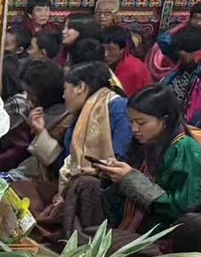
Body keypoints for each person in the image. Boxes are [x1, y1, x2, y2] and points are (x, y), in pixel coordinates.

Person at [95, 84, 201, 232]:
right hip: (134, 219)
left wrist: (130, 179)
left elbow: (183, 209)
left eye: (141, 123)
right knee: (85, 185)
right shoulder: (146, 142)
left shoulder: (185, 149)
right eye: (131, 122)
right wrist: (113, 175)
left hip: (167, 232)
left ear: (165, 120)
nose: (134, 129)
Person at [37, 62, 132, 238]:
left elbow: (120, 160)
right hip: (74, 189)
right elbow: (65, 163)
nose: (63, 96)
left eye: (66, 89)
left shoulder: (119, 109)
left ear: (80, 87)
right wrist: (40, 132)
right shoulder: (78, 115)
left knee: (85, 184)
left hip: (109, 195)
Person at [0, 58, 68, 177]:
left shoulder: (56, 119)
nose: (27, 98)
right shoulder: (40, 110)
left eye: (30, 94)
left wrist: (35, 130)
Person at [149, 0, 201, 79]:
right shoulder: (181, 31)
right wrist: (180, 54)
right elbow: (163, 43)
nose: (198, 23)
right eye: (195, 18)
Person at [104, 26, 151, 96]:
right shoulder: (98, 61)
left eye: (110, 50)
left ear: (122, 49)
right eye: (102, 49)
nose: (105, 54)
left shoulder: (134, 69)